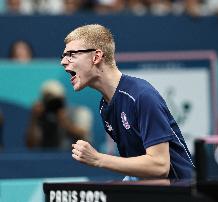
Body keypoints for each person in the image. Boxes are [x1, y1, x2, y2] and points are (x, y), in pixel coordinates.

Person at [60, 24, 194, 180]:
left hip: (181, 192)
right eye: (63, 56)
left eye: (71, 54)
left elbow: (160, 165)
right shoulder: (105, 107)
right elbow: (136, 166)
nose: (63, 61)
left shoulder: (141, 96)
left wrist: (98, 159)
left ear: (96, 57)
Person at [26, 80, 93, 150]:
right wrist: (34, 118)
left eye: (55, 100)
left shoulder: (80, 112)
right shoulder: (41, 116)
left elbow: (84, 138)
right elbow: (31, 145)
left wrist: (65, 122)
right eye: (48, 99)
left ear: (63, 98)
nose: (53, 103)